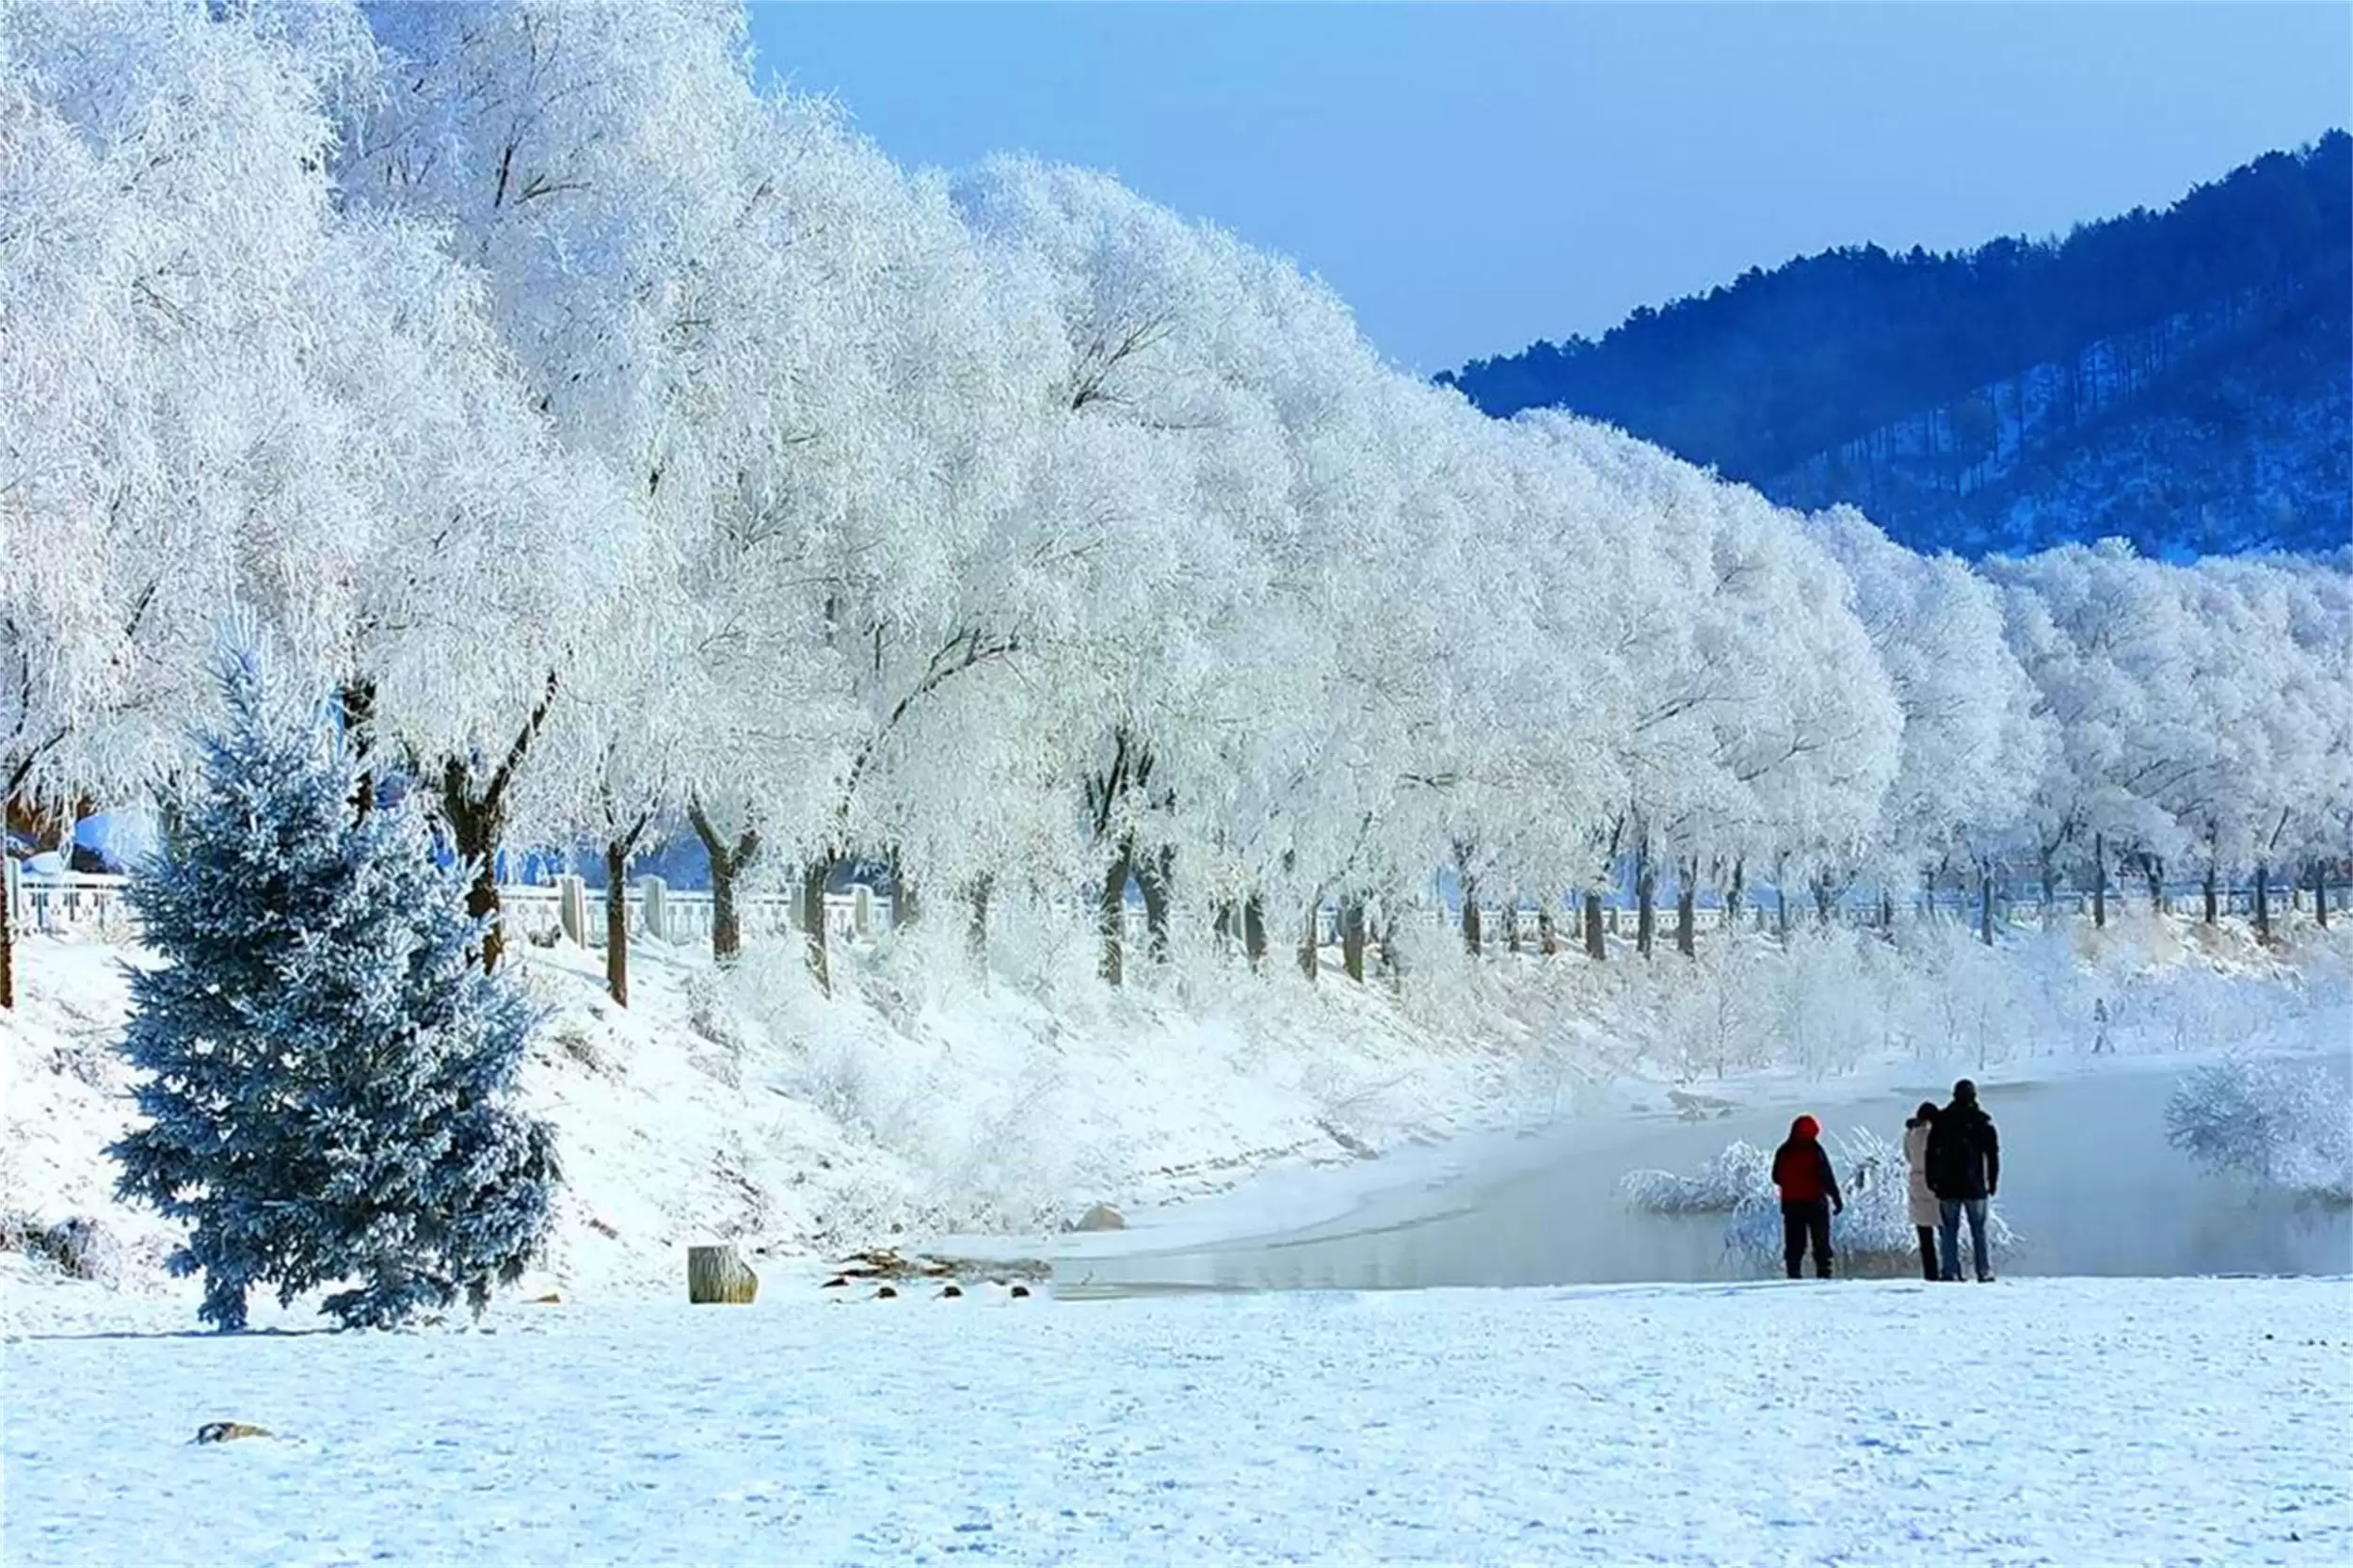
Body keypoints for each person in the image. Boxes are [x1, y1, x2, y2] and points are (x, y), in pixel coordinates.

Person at [1925, 1078, 2000, 1282]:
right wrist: (1992, 1181)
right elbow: (1992, 1155)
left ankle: (1950, 1270)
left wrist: (1931, 1180)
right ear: (1974, 1096)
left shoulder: (1942, 1121)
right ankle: (1984, 1271)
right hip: (1975, 1186)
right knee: (1979, 1230)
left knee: (1949, 1230)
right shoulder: (1982, 1121)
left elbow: (1930, 1153)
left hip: (1947, 1186)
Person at [1769, 1114, 1843, 1279]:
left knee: (1794, 1244)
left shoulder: (1784, 1150)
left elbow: (1776, 1177)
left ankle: (1793, 1276)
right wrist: (1836, 1197)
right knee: (1821, 1242)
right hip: (1816, 1203)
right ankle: (1824, 1276)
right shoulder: (1815, 1150)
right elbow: (1826, 1176)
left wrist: (1792, 1184)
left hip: (1791, 1205)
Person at [1901, 1102, 1940, 1282]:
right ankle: (1949, 1269)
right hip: (1937, 1183)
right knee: (1945, 1229)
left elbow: (1908, 1156)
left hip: (1917, 1182)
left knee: (1924, 1234)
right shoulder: (1937, 1134)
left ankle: (1930, 1272)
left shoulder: (1910, 1135)